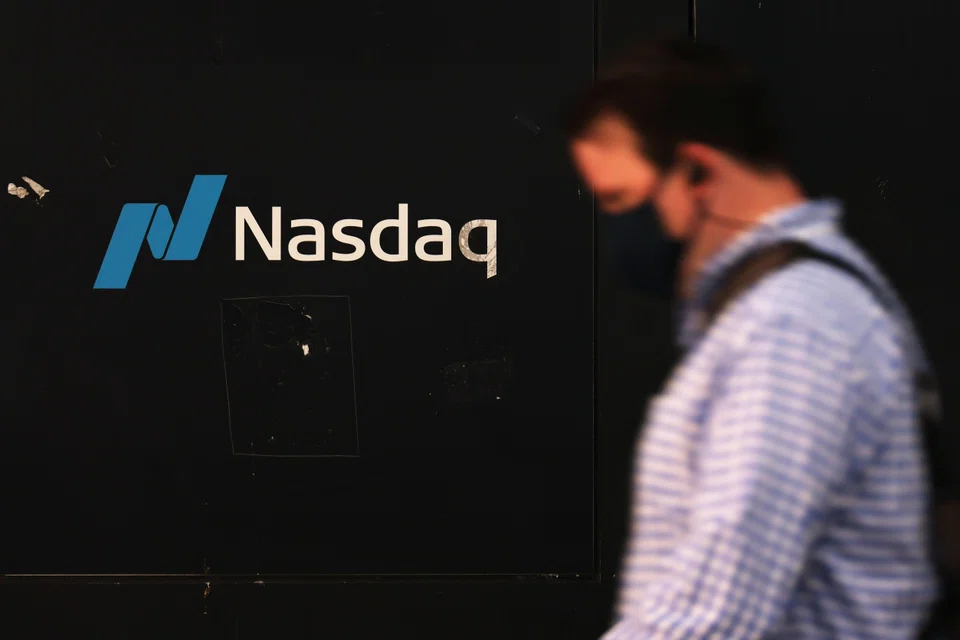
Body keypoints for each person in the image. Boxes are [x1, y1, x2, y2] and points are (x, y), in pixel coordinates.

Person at [566, 38, 944, 638]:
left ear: (697, 173)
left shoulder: (788, 327)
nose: (617, 228)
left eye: (621, 199)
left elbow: (714, 617)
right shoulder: (798, 304)